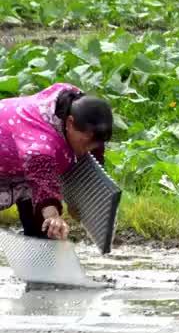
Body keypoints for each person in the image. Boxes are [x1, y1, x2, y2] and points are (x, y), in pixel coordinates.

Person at [0, 83, 112, 241]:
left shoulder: (72, 103)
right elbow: (43, 185)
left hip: (17, 161)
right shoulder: (41, 145)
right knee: (48, 216)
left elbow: (95, 148)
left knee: (43, 232)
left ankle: (38, 250)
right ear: (70, 123)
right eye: (87, 142)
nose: (89, 149)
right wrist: (53, 216)